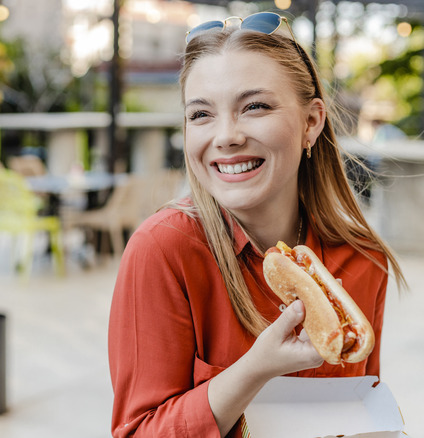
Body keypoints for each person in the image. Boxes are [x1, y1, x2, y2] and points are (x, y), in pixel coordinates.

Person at [107, 11, 407, 438]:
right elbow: (137, 432)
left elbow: (359, 408)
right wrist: (254, 370)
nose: (226, 135)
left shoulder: (362, 260)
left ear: (312, 121)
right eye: (201, 114)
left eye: (255, 107)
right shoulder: (163, 248)